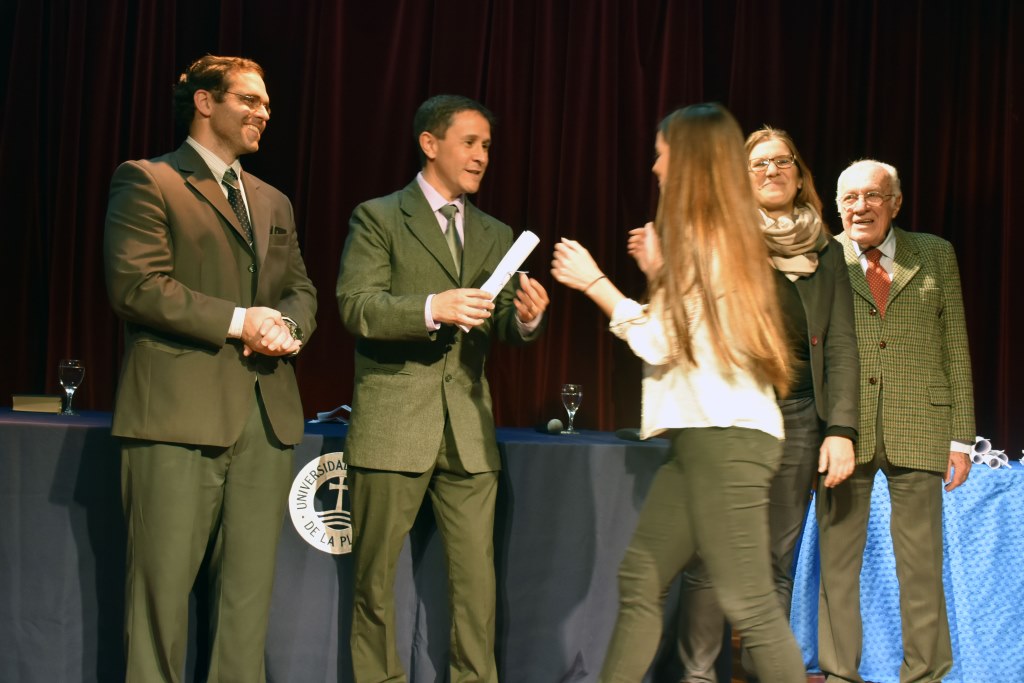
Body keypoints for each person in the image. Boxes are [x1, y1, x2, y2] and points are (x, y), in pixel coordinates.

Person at [551, 103, 806, 683]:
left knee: (751, 606)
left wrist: (594, 282)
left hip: (727, 441)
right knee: (640, 576)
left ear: (687, 159)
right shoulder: (717, 233)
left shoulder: (702, 231)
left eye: (663, 153)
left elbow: (663, 342)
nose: (655, 165)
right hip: (704, 441)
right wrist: (662, 274)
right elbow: (696, 330)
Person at [103, 55, 317, 682]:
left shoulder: (273, 200)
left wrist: (287, 326)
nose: (263, 113)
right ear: (204, 102)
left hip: (263, 423)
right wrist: (240, 320)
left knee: (245, 606)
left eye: (267, 105)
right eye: (249, 100)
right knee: (160, 602)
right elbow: (137, 286)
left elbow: (299, 288)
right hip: (175, 417)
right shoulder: (149, 180)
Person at [336, 93, 550, 683]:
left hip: (469, 429)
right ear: (430, 144)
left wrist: (527, 317)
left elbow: (501, 321)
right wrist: (433, 306)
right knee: (375, 582)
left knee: (476, 586)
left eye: (487, 146)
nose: (482, 156)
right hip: (394, 423)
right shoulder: (378, 217)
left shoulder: (495, 230)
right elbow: (357, 306)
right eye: (470, 142)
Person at [677, 127, 860, 682]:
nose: (772, 171)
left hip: (802, 417)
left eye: (783, 161)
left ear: (800, 173)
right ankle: (698, 676)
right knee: (712, 557)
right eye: (758, 164)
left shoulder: (826, 250)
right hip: (733, 417)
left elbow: (845, 344)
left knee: (774, 562)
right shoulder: (718, 237)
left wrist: (842, 429)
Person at [817, 159, 974, 683]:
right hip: (842, 430)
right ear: (838, 206)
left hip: (921, 425)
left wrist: (961, 438)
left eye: (872, 196)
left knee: (922, 568)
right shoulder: (821, 257)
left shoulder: (934, 254)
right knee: (838, 567)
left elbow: (956, 348)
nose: (860, 207)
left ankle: (925, 674)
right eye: (850, 199)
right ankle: (840, 674)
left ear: (895, 203)